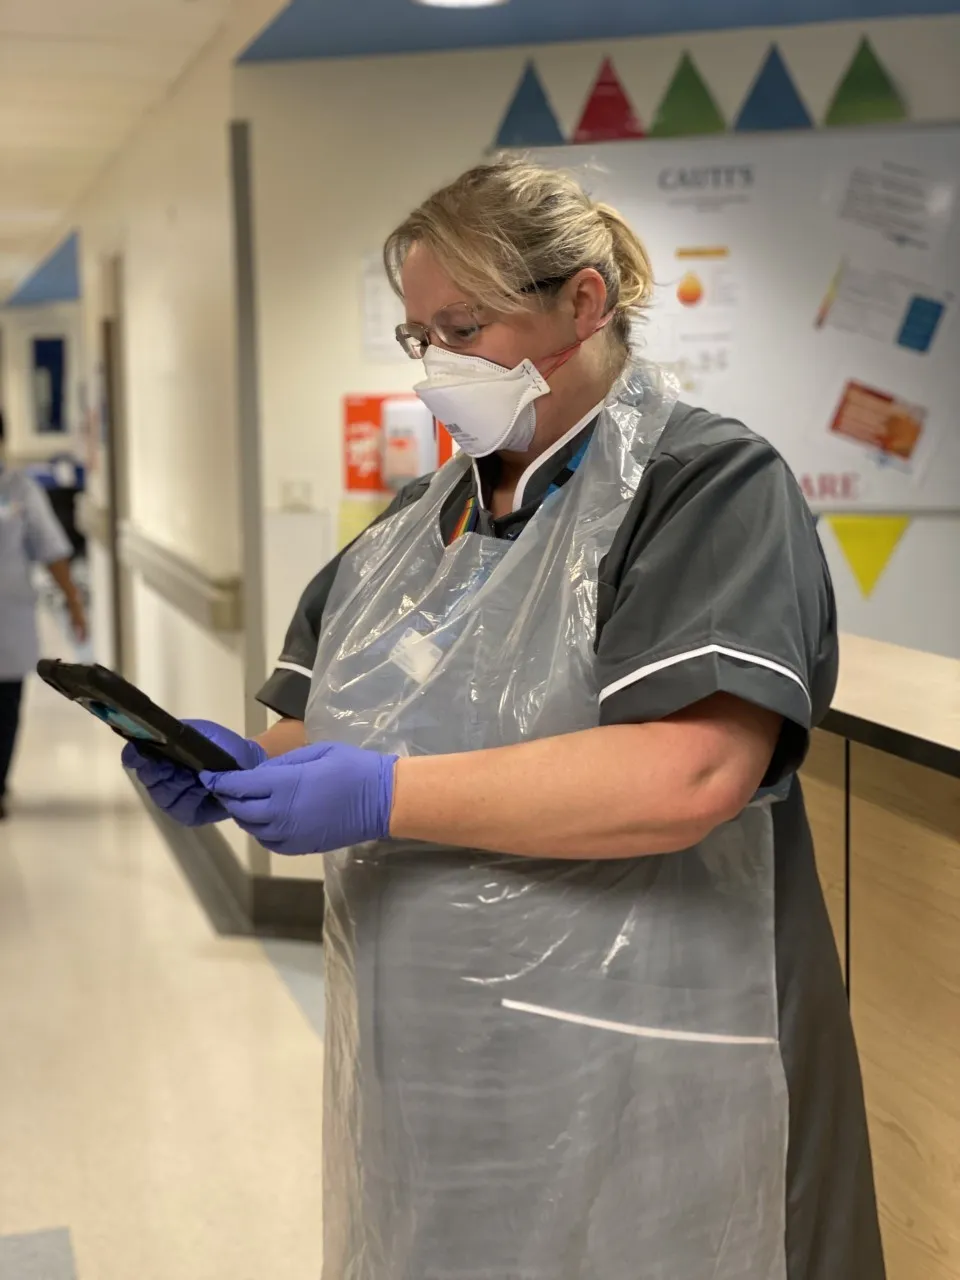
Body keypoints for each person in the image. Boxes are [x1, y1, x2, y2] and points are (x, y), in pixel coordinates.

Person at [125, 158, 885, 1279]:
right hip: (441, 1068)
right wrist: (243, 762)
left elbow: (691, 774)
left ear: (583, 303)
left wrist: (384, 795)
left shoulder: (705, 485)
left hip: (657, 1056)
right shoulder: (413, 525)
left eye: (464, 326)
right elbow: (353, 719)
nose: (436, 363)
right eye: (417, 335)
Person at [0, 419, 88, 819]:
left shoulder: (18, 489)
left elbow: (51, 549)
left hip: (7, 622)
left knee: (5, 707)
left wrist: (73, 602)